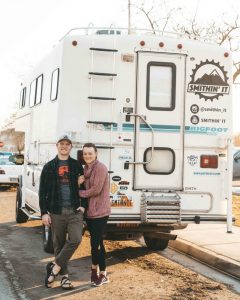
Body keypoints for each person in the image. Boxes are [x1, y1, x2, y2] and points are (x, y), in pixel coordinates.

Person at [39, 134, 87, 289]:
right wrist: (44, 213)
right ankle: (65, 277)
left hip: (74, 211)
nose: (64, 146)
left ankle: (54, 268)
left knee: (76, 239)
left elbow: (83, 187)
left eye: (67, 144)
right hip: (56, 211)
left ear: (71, 147)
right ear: (57, 146)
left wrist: (84, 206)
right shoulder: (49, 166)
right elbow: (42, 192)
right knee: (58, 244)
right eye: (61, 143)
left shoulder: (76, 165)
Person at [78, 143, 111, 287]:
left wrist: (77, 192)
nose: (87, 156)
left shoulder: (101, 168)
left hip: (100, 212)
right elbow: (84, 185)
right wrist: (79, 182)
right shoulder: (85, 169)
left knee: (94, 244)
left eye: (90, 153)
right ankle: (103, 274)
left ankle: (94, 272)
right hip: (90, 213)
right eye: (85, 153)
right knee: (99, 243)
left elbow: (96, 190)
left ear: (96, 153)